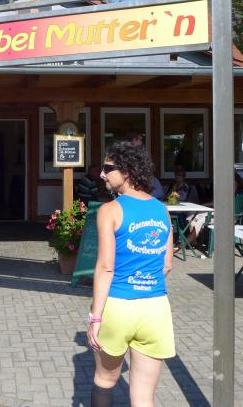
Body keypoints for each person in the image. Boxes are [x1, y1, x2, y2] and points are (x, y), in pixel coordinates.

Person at [87, 141, 174, 406]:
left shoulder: (109, 210)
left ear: (126, 172)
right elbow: (167, 265)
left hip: (118, 305)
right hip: (155, 308)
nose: (102, 174)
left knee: (105, 381)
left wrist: (95, 317)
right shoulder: (162, 210)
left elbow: (105, 268)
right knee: (144, 396)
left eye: (107, 168)